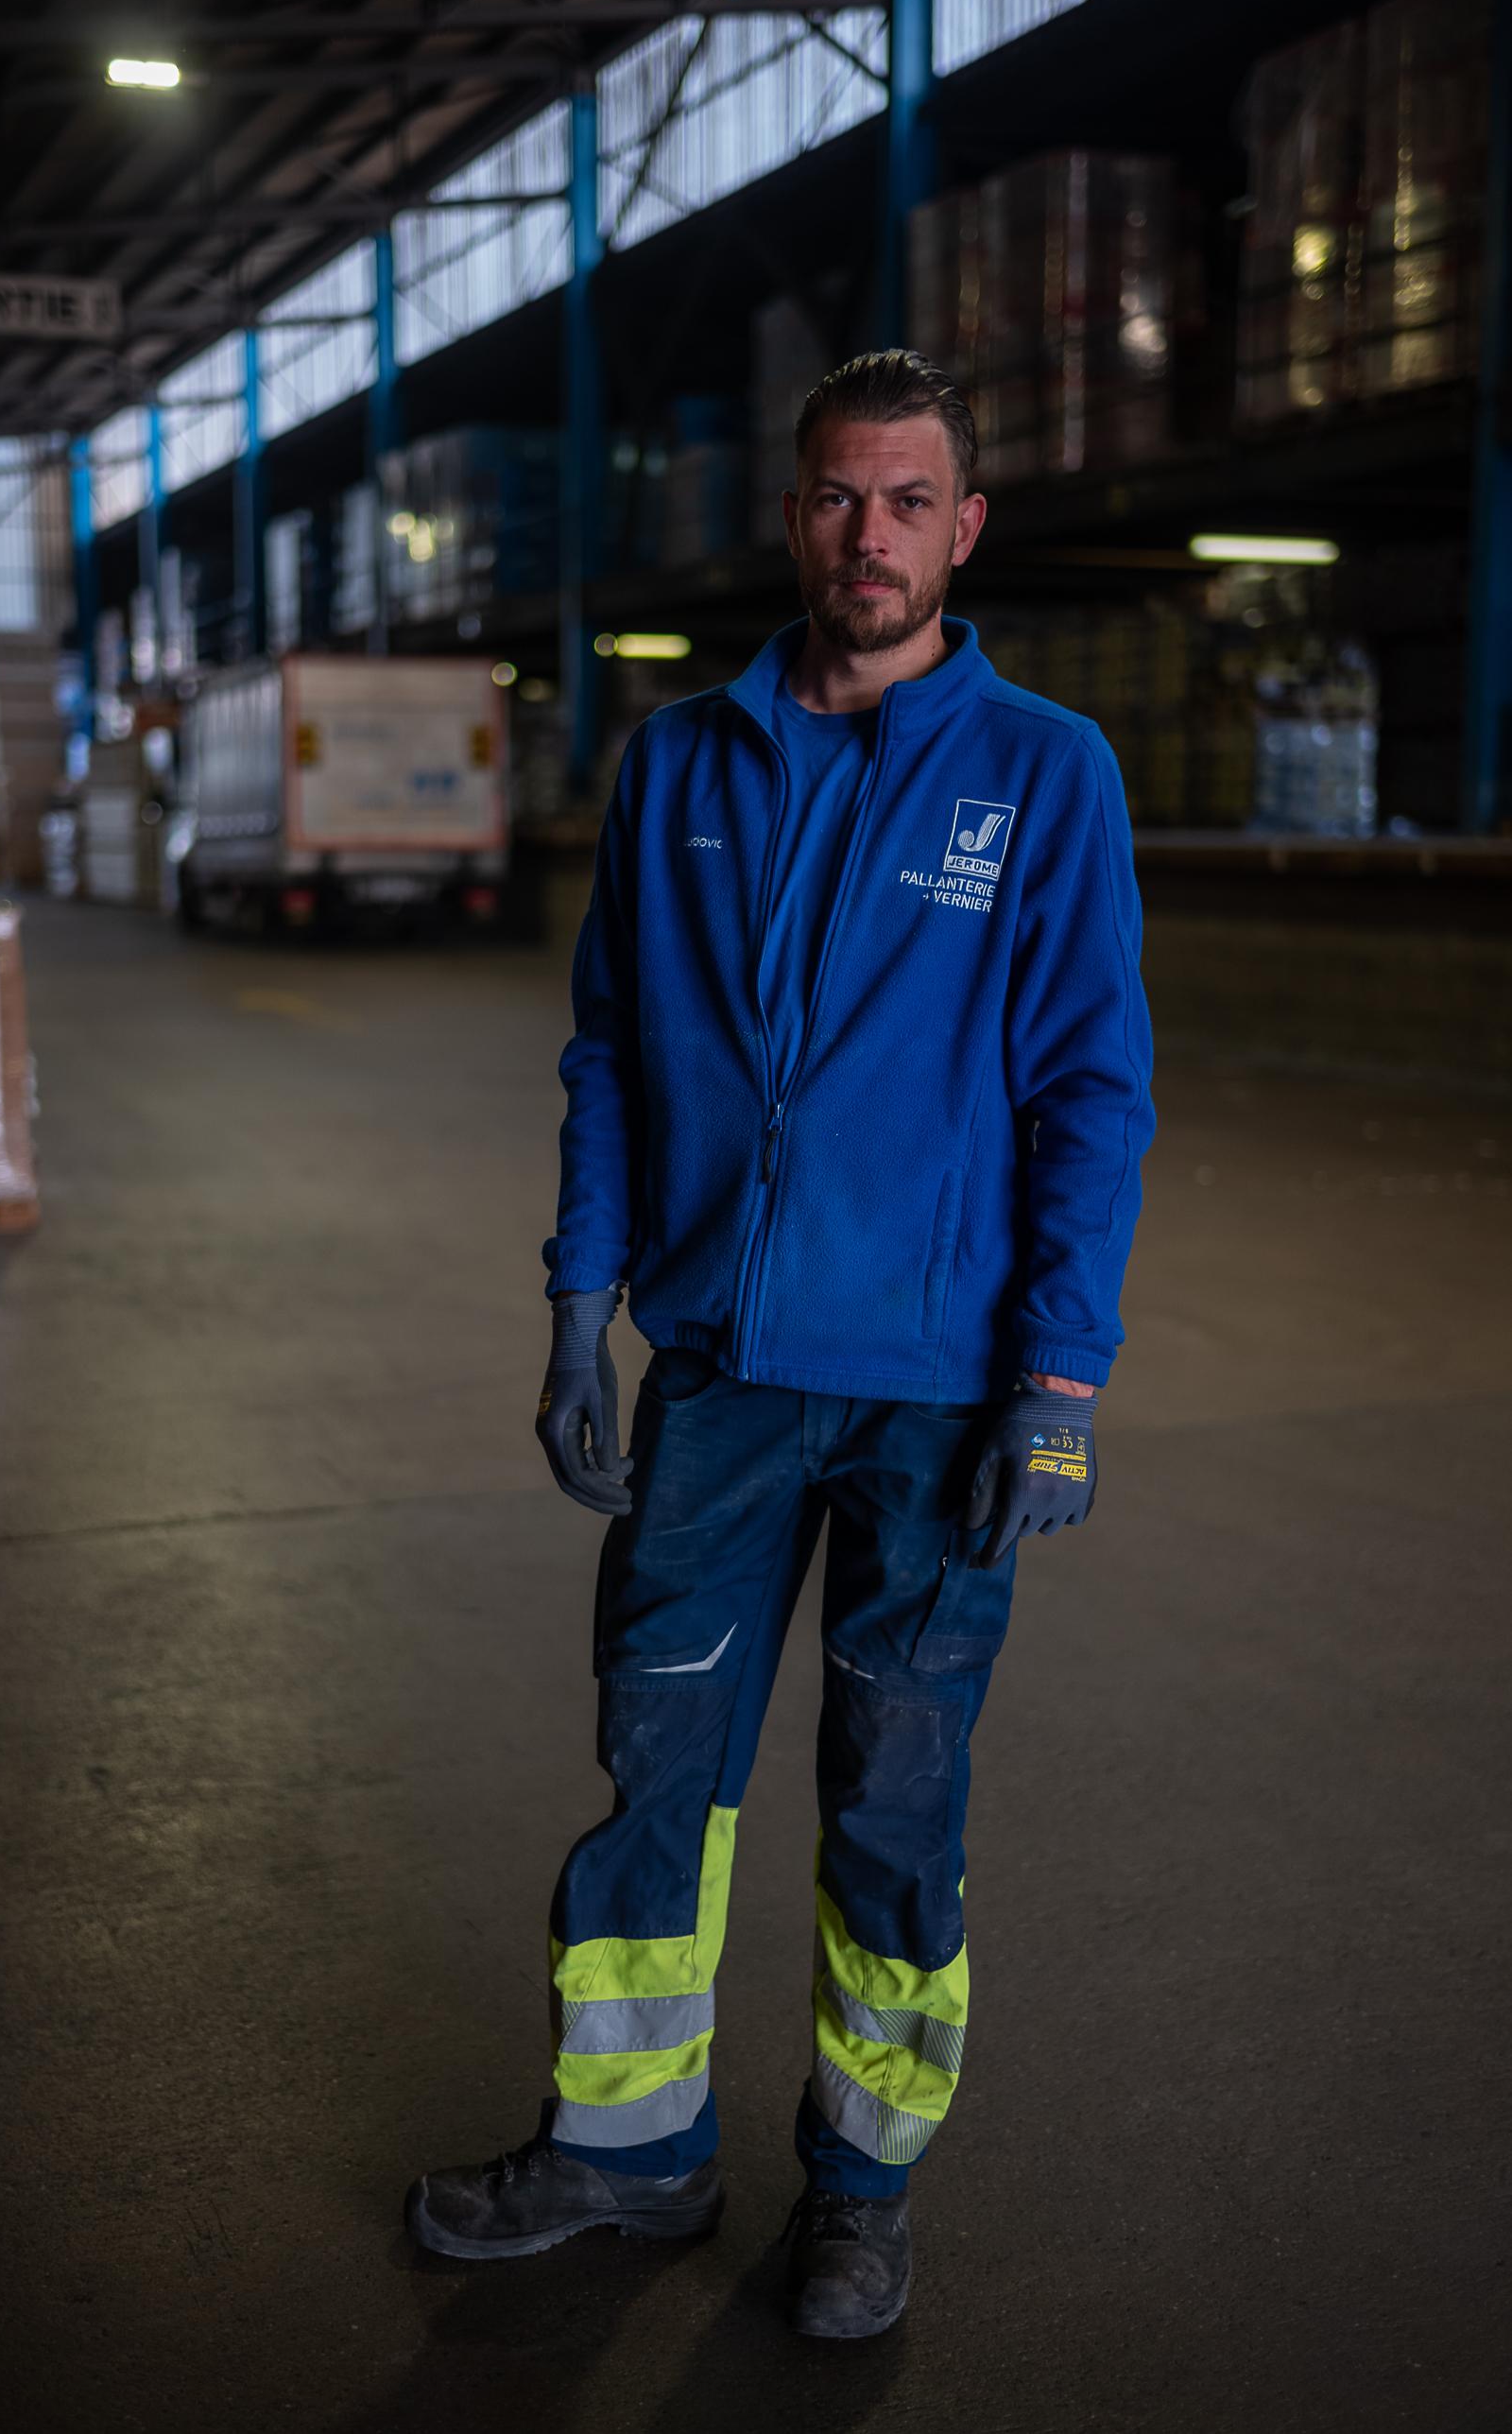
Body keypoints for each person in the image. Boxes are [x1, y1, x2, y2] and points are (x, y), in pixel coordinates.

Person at [405, 349, 1155, 2339]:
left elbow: (1090, 1093)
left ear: (963, 526)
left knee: (895, 1795)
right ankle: (628, 2145)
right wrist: (578, 1299)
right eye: (837, 495)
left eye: (909, 501)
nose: (868, 536)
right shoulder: (682, 765)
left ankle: (862, 2186)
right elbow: (610, 1053)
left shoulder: (1044, 772)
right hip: (721, 1375)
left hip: (938, 1394)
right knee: (658, 1763)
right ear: (794, 512)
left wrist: (1058, 1383)